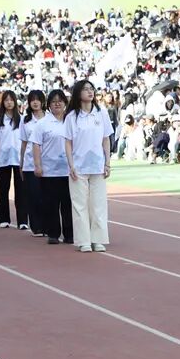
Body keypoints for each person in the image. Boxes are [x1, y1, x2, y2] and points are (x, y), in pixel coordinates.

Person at [63, 80, 113, 253]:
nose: (90, 92)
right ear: (78, 93)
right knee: (80, 204)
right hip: (79, 167)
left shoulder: (101, 113)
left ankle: (98, 239)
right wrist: (71, 165)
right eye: (85, 89)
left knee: (98, 204)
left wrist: (107, 162)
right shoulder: (71, 117)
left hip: (98, 166)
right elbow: (68, 142)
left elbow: (106, 138)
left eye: (92, 89)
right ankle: (83, 240)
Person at [31, 90, 73, 245]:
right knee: (51, 204)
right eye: (54, 101)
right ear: (48, 105)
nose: (57, 103)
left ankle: (70, 234)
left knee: (68, 204)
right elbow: (36, 145)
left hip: (68, 170)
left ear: (65, 103)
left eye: (60, 101)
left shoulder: (70, 121)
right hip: (49, 171)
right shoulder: (42, 123)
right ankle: (53, 233)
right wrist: (38, 165)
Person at [0, 90, 26, 229]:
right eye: (6, 100)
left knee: (21, 190)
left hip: (18, 159)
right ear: (2, 103)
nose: (9, 102)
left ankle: (23, 220)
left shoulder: (22, 120)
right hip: (3, 158)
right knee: (3, 189)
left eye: (12, 100)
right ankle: (3, 218)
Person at [19, 90, 47, 237]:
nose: (35, 102)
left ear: (43, 101)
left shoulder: (50, 118)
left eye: (38, 99)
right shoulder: (25, 120)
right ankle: (36, 226)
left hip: (48, 163)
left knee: (46, 196)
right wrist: (21, 163)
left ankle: (47, 225)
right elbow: (24, 143)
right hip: (30, 163)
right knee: (33, 195)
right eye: (32, 100)